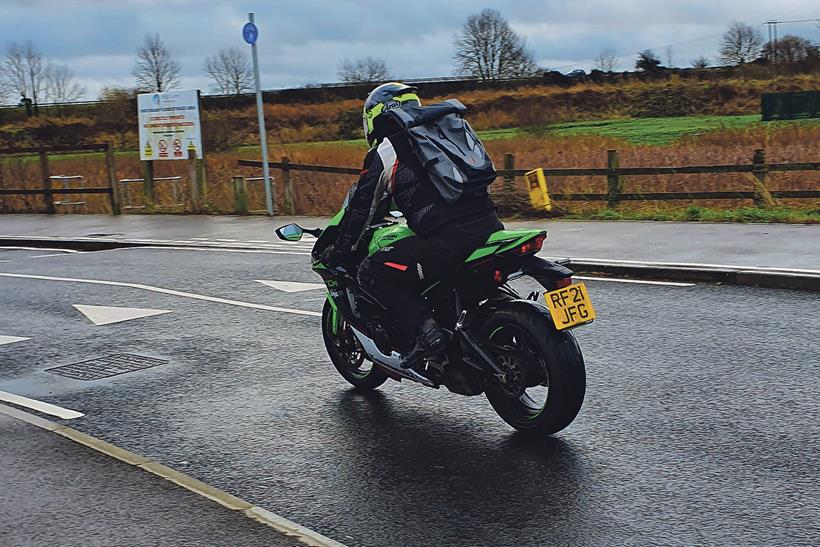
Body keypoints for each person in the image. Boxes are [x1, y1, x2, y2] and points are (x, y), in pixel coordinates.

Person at [325, 82, 503, 369]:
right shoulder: (445, 136)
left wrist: (341, 252)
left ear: (375, 116)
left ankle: (428, 333)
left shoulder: (388, 149)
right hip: (491, 227)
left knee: (371, 272)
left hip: (448, 243)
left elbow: (361, 208)